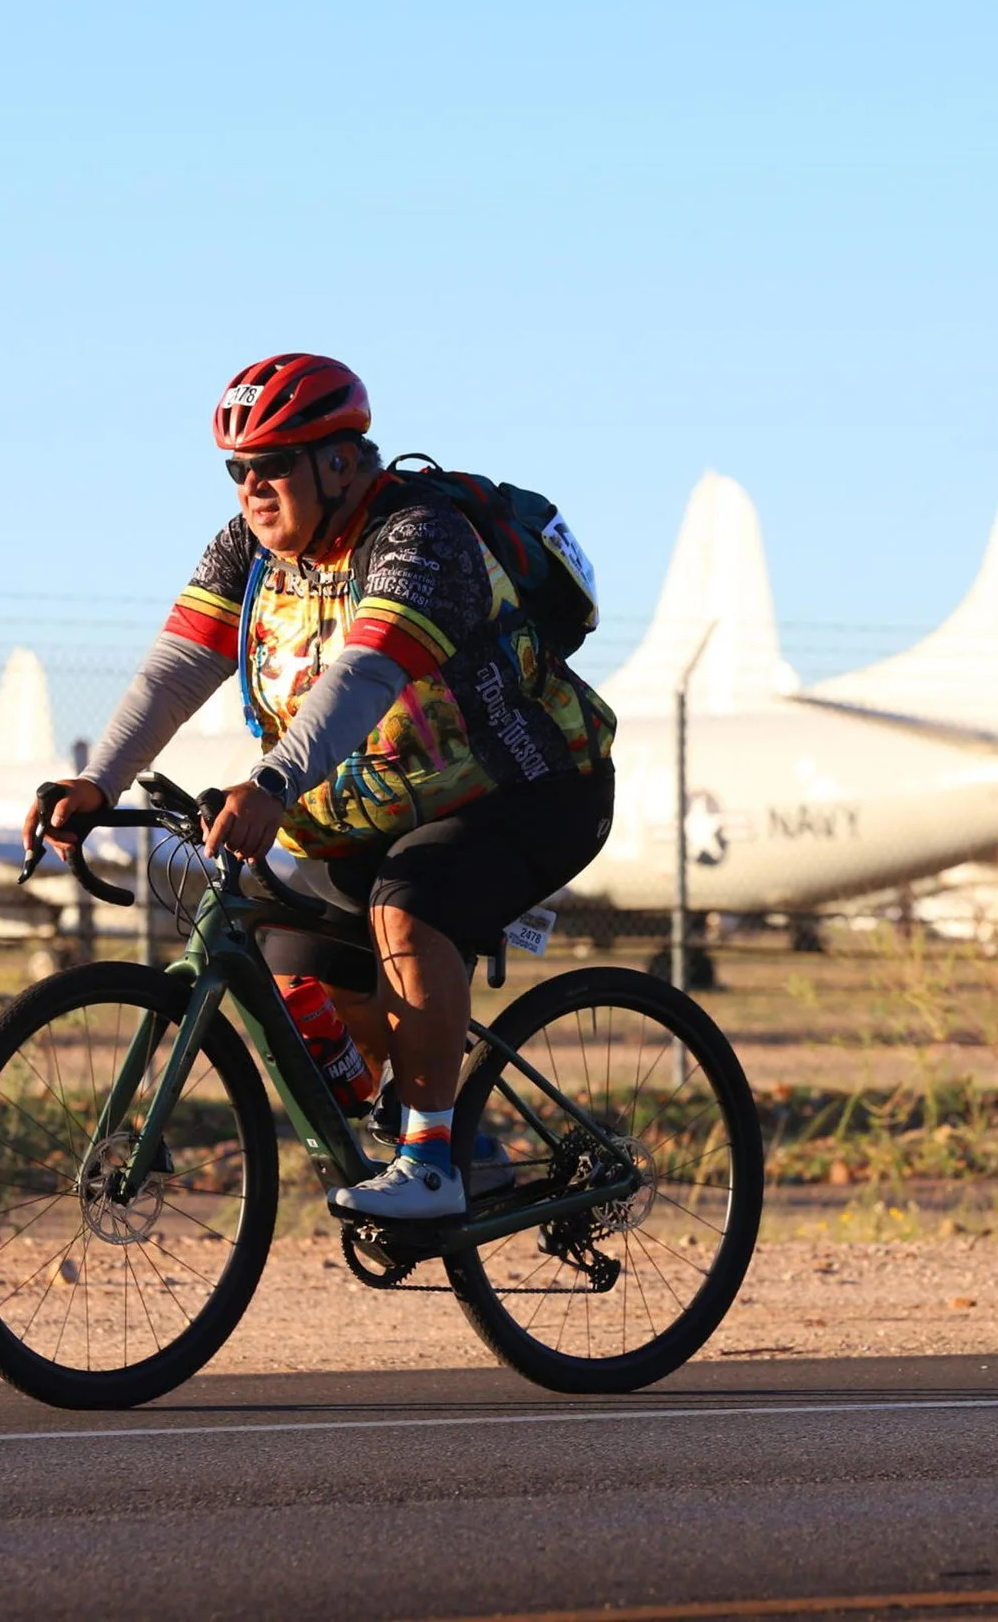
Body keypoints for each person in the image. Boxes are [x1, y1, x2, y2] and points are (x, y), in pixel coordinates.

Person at [32, 353, 616, 1220]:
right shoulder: (250, 548)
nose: (251, 488)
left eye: (273, 465)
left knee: (409, 904)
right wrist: (95, 778)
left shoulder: (422, 535)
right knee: (292, 979)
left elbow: (366, 674)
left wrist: (270, 782)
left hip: (528, 788)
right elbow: (177, 668)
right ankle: (453, 1131)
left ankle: (433, 1162)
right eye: (238, 469)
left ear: (341, 460)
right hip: (363, 811)